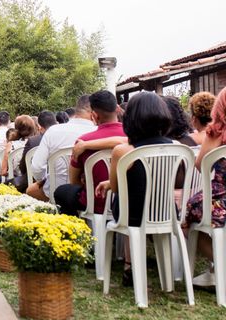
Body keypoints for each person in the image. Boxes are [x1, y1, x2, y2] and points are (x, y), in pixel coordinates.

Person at [95, 92, 174, 286]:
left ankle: (129, 266)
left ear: (131, 119)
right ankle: (132, 267)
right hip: (166, 212)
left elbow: (115, 187)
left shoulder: (123, 151)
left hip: (132, 216)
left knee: (127, 201)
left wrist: (109, 182)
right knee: (135, 198)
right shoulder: (176, 147)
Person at [54, 90, 125, 216]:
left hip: (94, 202)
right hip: (125, 202)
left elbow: (74, 179)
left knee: (62, 192)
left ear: (94, 116)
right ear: (118, 109)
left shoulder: (84, 141)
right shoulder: (133, 136)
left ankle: (77, 231)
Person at [184, 87, 226, 287]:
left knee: (191, 213)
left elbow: (201, 164)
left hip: (221, 202)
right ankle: (215, 270)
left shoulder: (215, 133)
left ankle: (220, 264)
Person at [27, 95, 95, 202]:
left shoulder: (53, 131)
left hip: (54, 192)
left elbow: (37, 167)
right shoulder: (98, 133)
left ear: (77, 110)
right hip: (91, 194)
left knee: (31, 190)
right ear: (94, 113)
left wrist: (43, 180)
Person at [16, 110, 57, 192]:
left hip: (39, 184)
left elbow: (24, 167)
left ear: (40, 128)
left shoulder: (33, 141)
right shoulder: (64, 138)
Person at [0, 115, 36, 182]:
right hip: (35, 180)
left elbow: (3, 172)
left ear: (16, 128)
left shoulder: (11, 145)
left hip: (17, 183)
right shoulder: (37, 143)